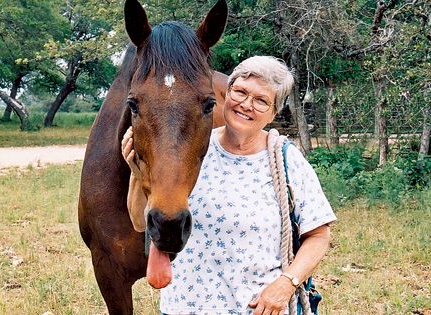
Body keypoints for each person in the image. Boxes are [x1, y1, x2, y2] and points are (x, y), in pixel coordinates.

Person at [122, 56, 336, 315]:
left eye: (261, 100)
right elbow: (139, 222)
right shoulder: (189, 149)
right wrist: (137, 172)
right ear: (226, 93)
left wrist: (285, 284)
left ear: (273, 113)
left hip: (257, 310)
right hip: (184, 308)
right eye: (240, 92)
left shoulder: (285, 159)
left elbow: (319, 235)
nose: (246, 105)